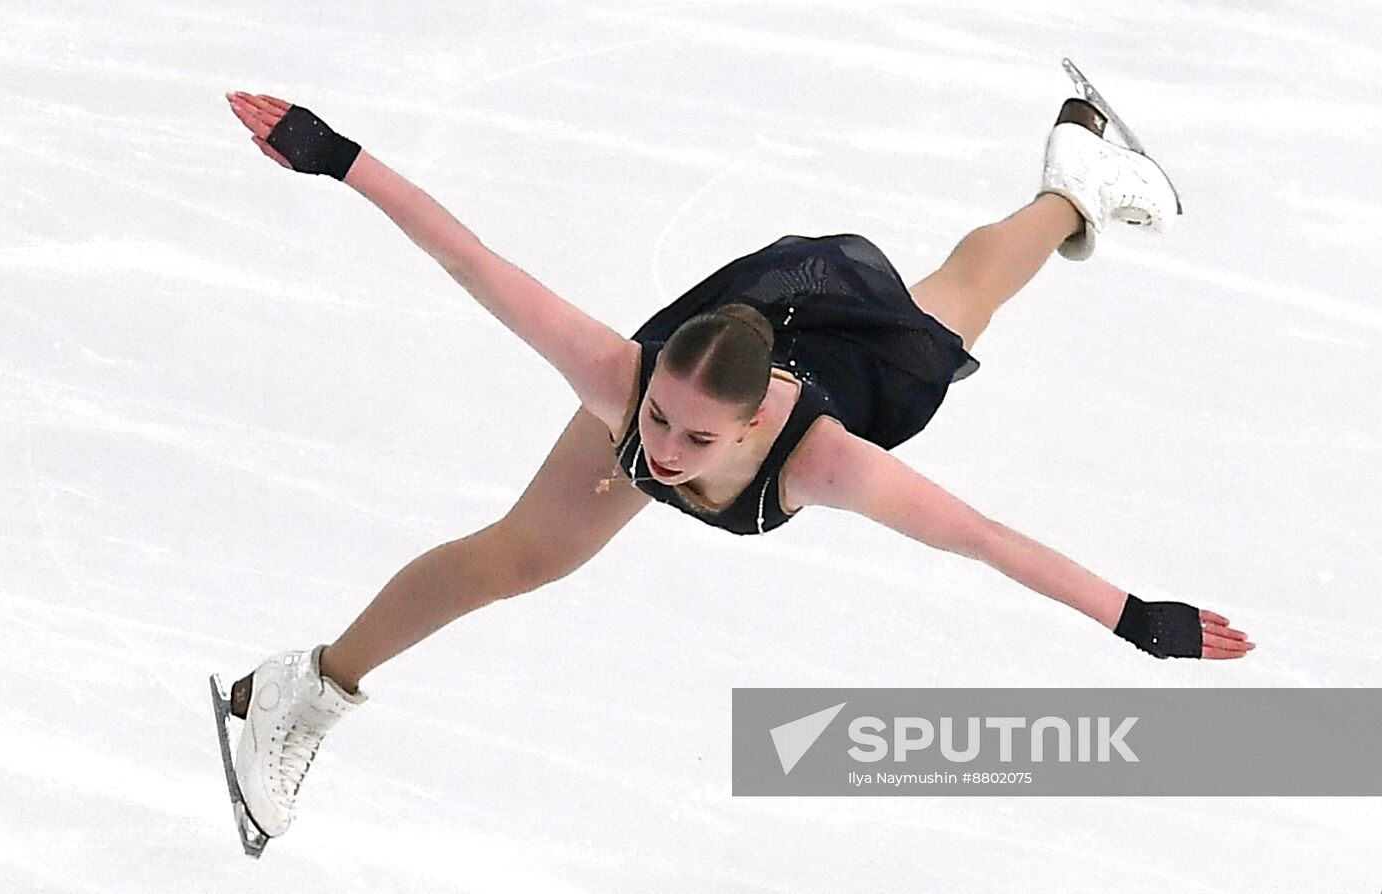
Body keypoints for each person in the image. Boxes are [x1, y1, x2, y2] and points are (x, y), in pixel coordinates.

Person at [218, 84, 1254, 841]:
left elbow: (980, 540)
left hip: (856, 361)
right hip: (730, 339)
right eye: (660, 422)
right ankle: (302, 691)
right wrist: (336, 154)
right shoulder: (623, 382)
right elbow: (472, 261)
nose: (662, 457)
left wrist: (1131, 618)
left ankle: (1072, 189)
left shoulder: (830, 464)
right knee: (519, 556)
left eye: (693, 440)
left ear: (754, 421)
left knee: (959, 300)